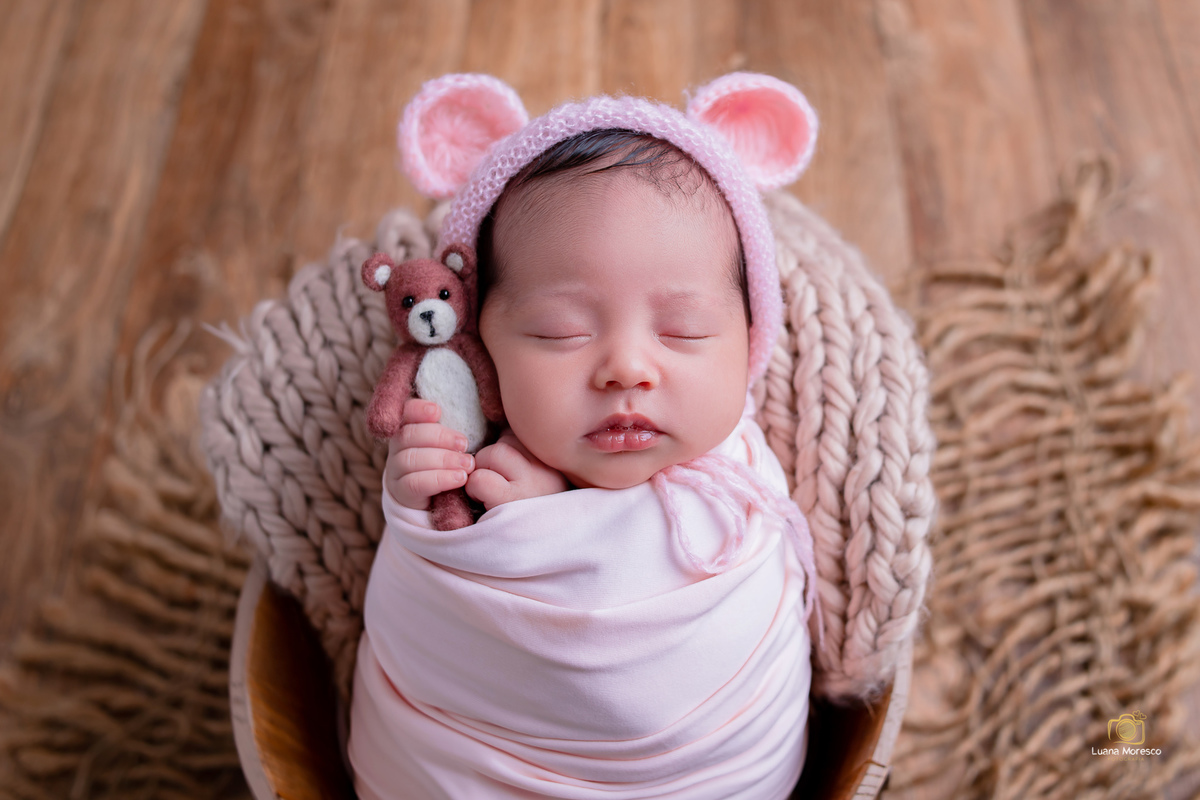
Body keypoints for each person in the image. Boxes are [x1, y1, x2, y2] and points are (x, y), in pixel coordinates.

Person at [348, 72, 822, 799]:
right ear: (482, 341)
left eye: (684, 329)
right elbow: (426, 612)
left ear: (750, 338)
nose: (627, 367)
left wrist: (551, 518)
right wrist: (414, 499)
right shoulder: (467, 463)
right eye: (559, 331)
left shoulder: (740, 478)